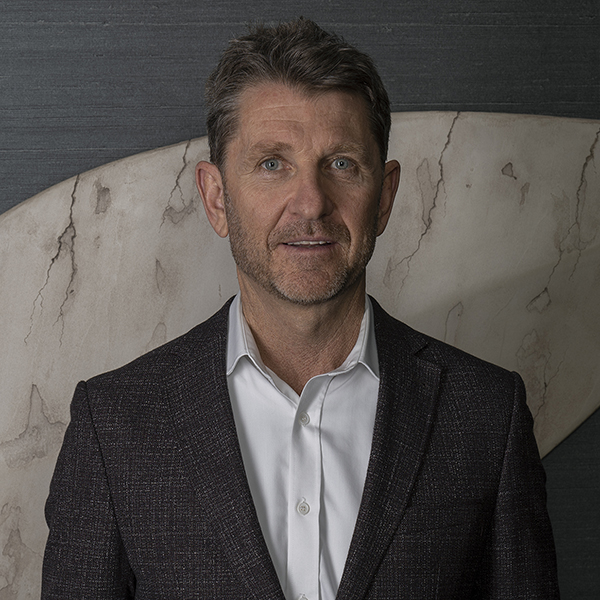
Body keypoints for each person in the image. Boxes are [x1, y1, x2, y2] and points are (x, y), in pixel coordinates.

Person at [42, 18, 560, 600]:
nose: (311, 203)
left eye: (341, 164)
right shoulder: (114, 425)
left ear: (384, 197)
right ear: (216, 197)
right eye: (272, 163)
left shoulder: (487, 415)